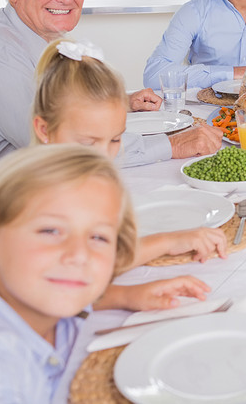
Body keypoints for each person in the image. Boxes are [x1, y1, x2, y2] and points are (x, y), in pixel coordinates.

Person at [0, 0, 222, 207]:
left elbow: (56, 106)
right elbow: (63, 149)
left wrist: (123, 102)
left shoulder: (40, 35)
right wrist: (174, 145)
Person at [0, 145, 137, 401]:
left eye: (98, 236)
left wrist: (125, 296)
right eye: (50, 231)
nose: (79, 254)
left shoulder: (30, 298)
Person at [32, 38, 229, 267]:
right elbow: (75, 272)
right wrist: (165, 242)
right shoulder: (40, 202)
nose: (105, 155)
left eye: (116, 139)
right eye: (88, 142)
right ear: (44, 130)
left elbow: (101, 252)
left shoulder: (85, 183)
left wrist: (132, 294)